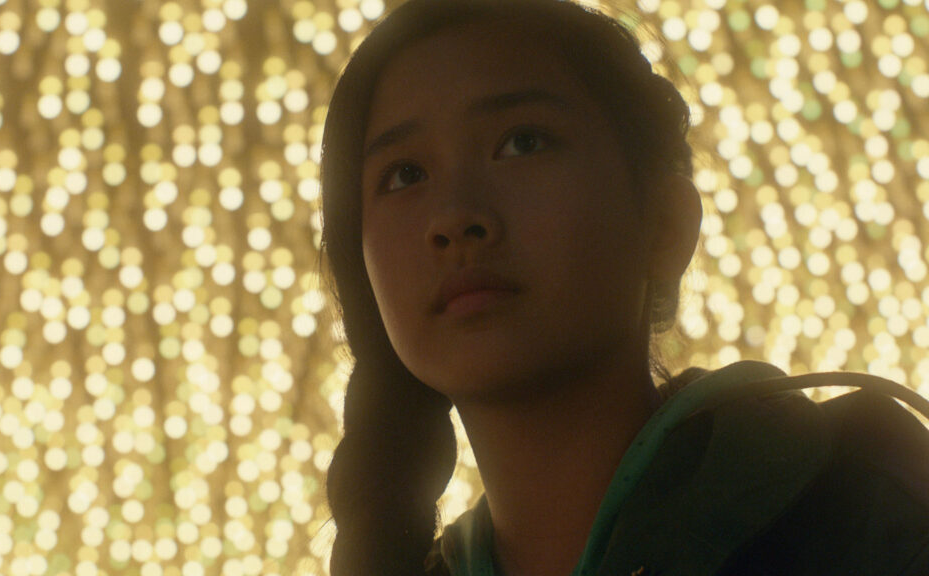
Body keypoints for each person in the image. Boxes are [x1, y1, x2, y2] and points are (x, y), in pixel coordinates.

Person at [318, 0, 929, 574]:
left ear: (664, 222)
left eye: (522, 142)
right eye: (404, 175)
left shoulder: (865, 506)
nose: (454, 216)